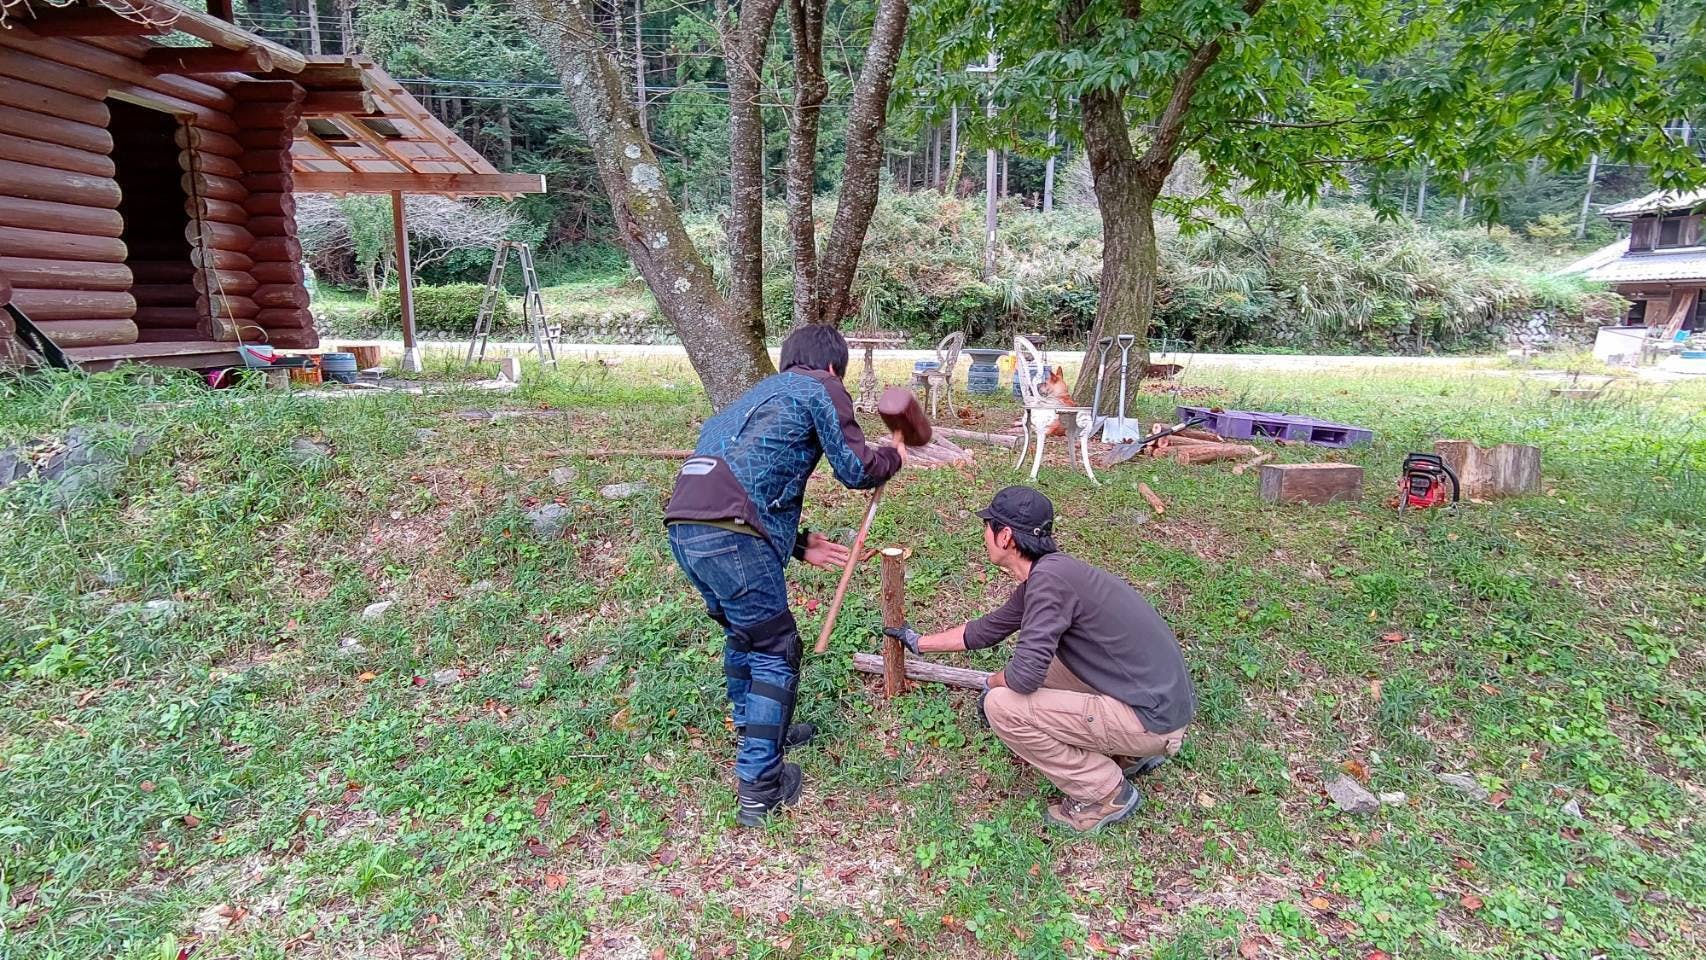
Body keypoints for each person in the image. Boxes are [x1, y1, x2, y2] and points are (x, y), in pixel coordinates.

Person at [664, 325, 908, 826]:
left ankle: (754, 725)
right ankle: (760, 787)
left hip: (684, 527)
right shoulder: (823, 385)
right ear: (833, 365)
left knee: (744, 632)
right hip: (736, 533)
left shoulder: (750, 397)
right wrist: (894, 456)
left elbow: (740, 475)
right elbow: (857, 468)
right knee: (776, 648)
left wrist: (799, 542)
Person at [886, 486, 1195, 833]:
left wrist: (990, 683)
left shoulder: (1048, 583)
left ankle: (1105, 793)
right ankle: (1130, 754)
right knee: (1047, 669)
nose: (983, 535)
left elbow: (1023, 677)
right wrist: (919, 642)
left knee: (1003, 705)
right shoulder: (1054, 572)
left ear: (1004, 537)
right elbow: (988, 629)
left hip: (1152, 720)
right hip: (1158, 702)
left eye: (987, 527)